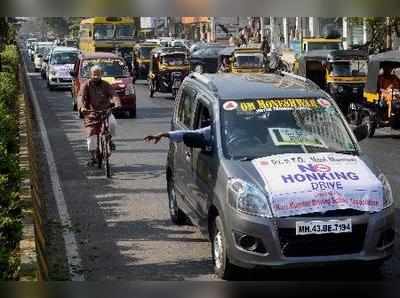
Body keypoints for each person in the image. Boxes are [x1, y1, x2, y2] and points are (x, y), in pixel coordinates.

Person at [78, 65, 121, 166]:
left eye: (98, 74)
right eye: (94, 74)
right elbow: (81, 97)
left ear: (101, 75)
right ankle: (93, 157)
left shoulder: (106, 85)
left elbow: (114, 94)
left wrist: (117, 103)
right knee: (91, 140)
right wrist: (82, 107)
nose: (96, 76)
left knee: (113, 123)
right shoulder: (86, 85)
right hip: (91, 114)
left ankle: (109, 139)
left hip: (105, 112)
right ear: (91, 75)